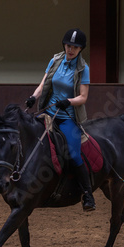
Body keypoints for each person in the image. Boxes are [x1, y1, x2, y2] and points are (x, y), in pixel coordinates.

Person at [25, 28, 96, 212]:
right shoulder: (55, 60)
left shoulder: (83, 69)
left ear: (81, 49)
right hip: (47, 113)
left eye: (75, 47)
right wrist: (33, 97)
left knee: (73, 154)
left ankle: (88, 194)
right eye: (68, 45)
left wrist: (69, 101)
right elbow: (44, 84)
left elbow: (83, 97)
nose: (70, 49)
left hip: (67, 118)